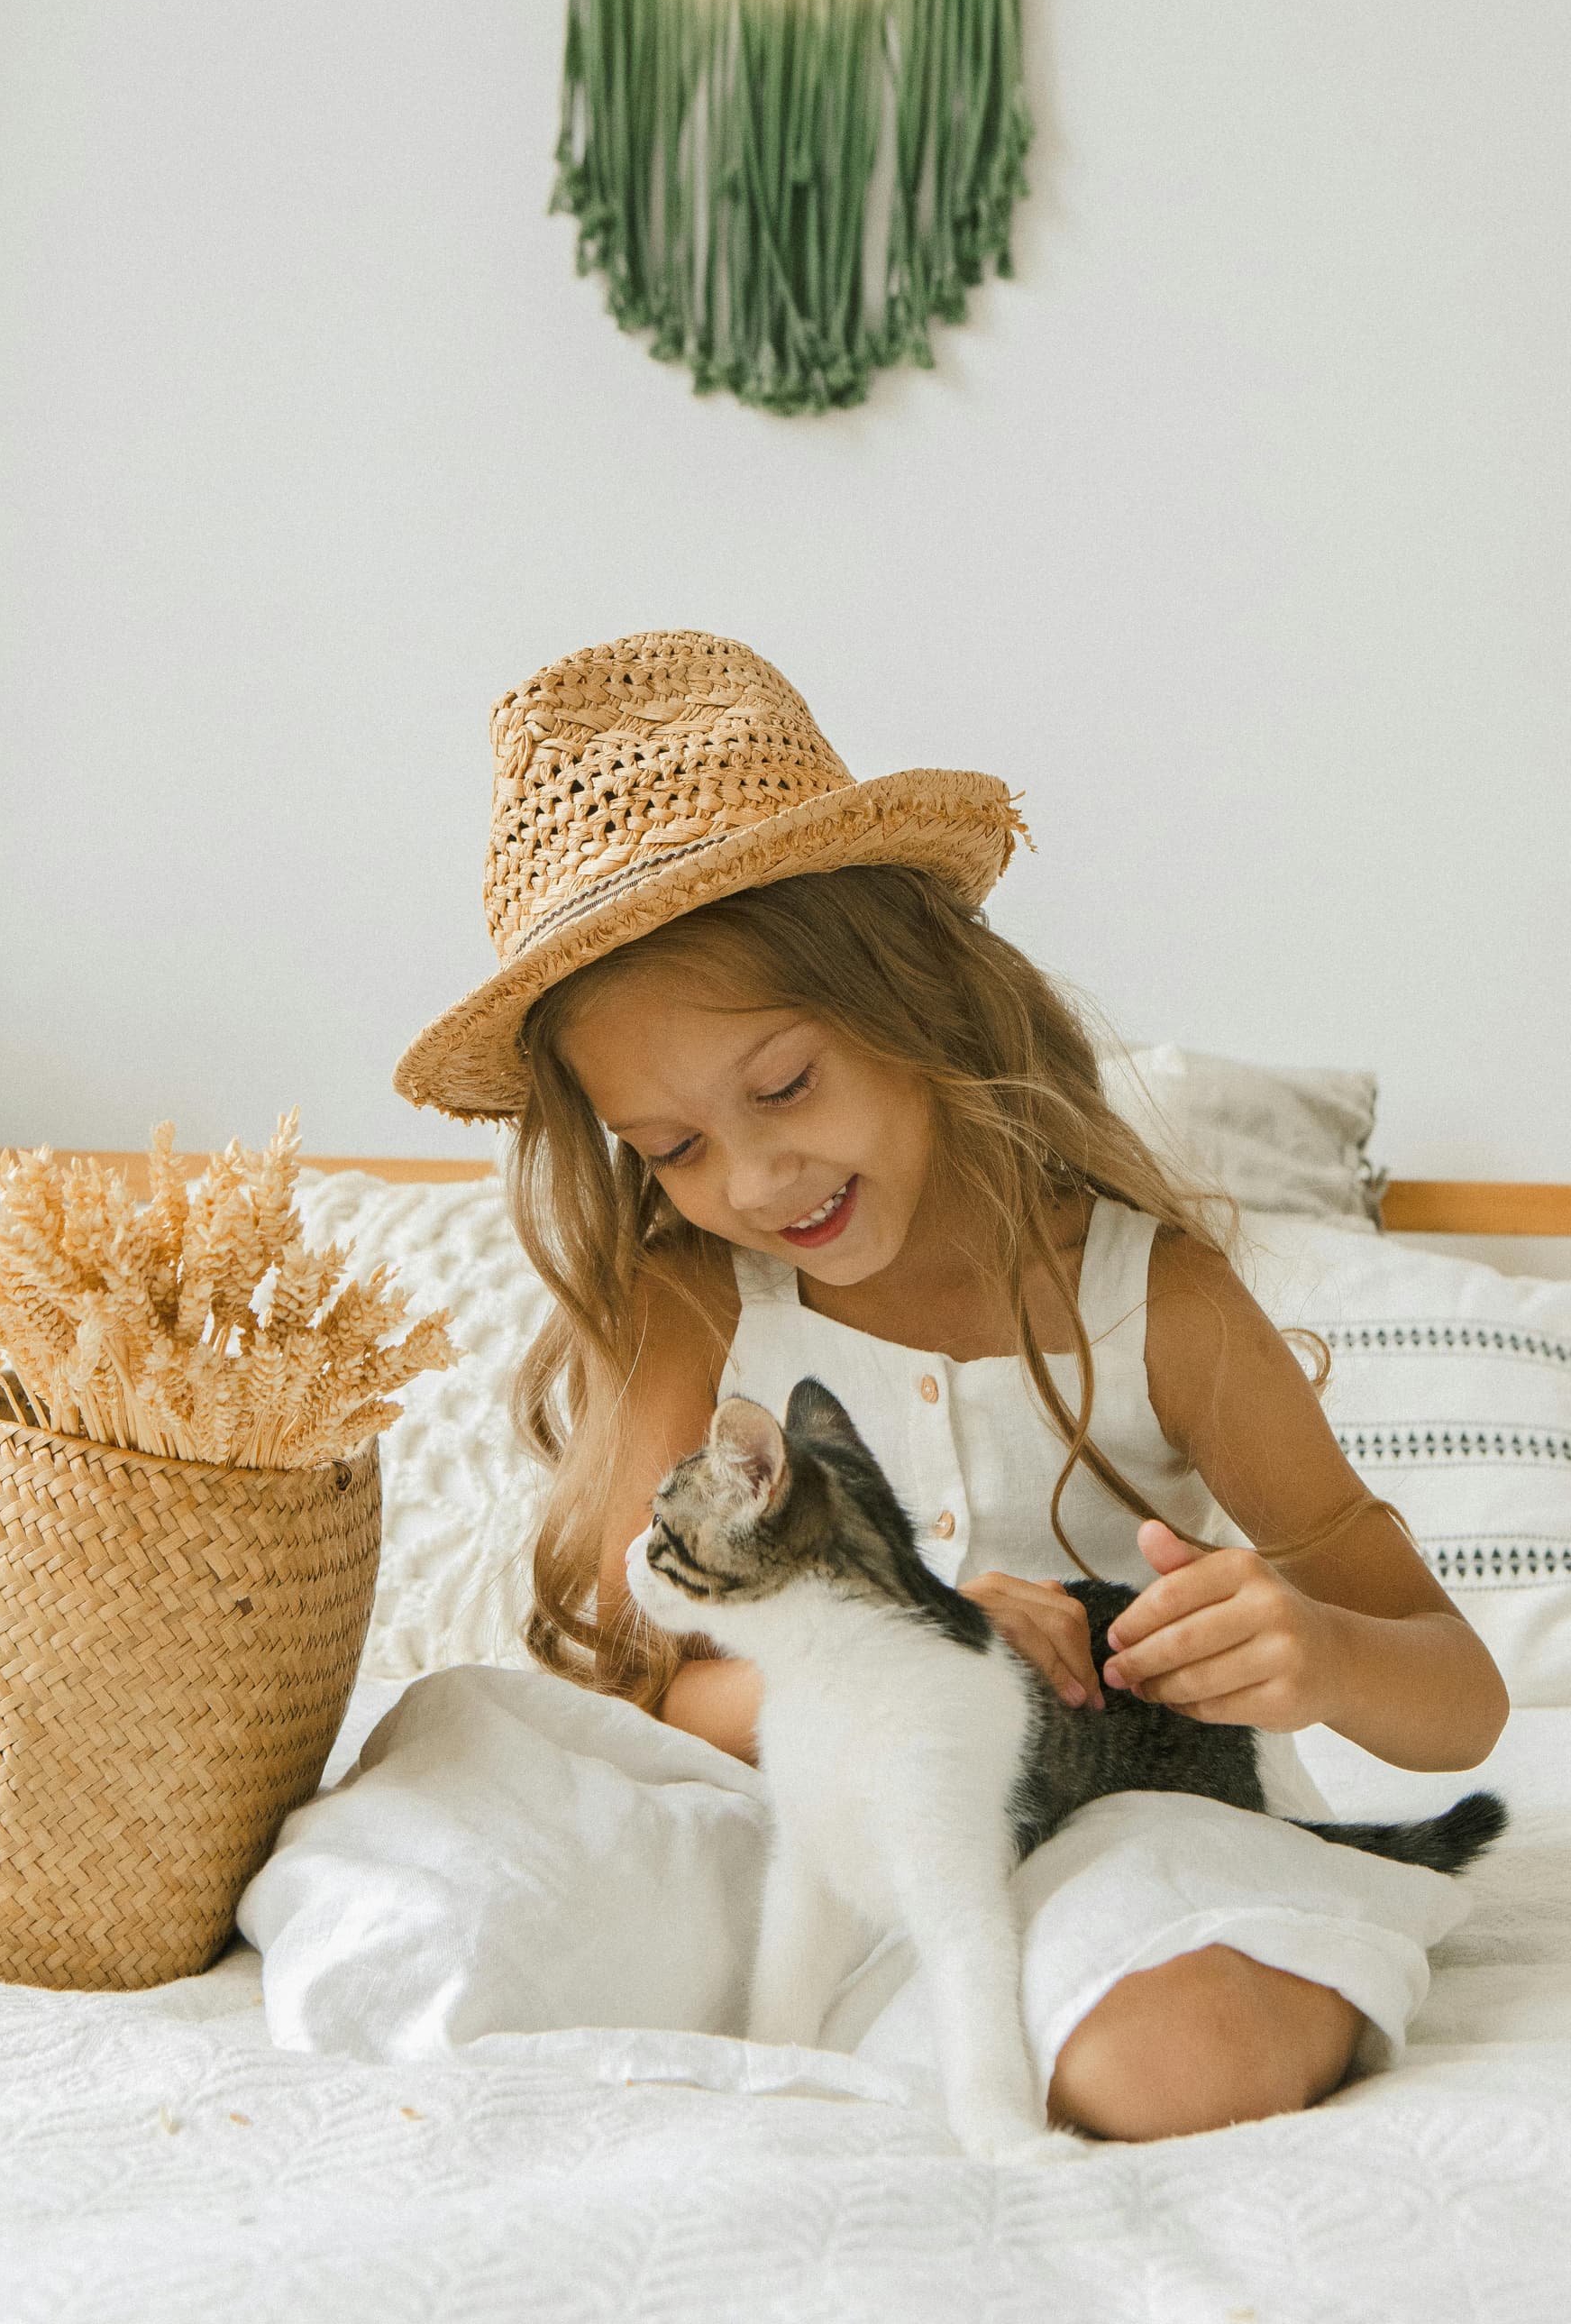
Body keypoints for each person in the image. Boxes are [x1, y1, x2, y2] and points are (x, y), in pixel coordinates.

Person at [393, 629, 1507, 2144]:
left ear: (912, 997)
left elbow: (1460, 1698)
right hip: (818, 1829)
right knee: (427, 1890)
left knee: (1171, 2061)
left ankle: (1062, 2006)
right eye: (670, 1148)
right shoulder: (693, 1300)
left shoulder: (1152, 1299)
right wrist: (904, 1661)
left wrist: (1313, 1651)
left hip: (1130, 1825)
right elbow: (636, 1671)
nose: (756, 1176)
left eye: (784, 1086)